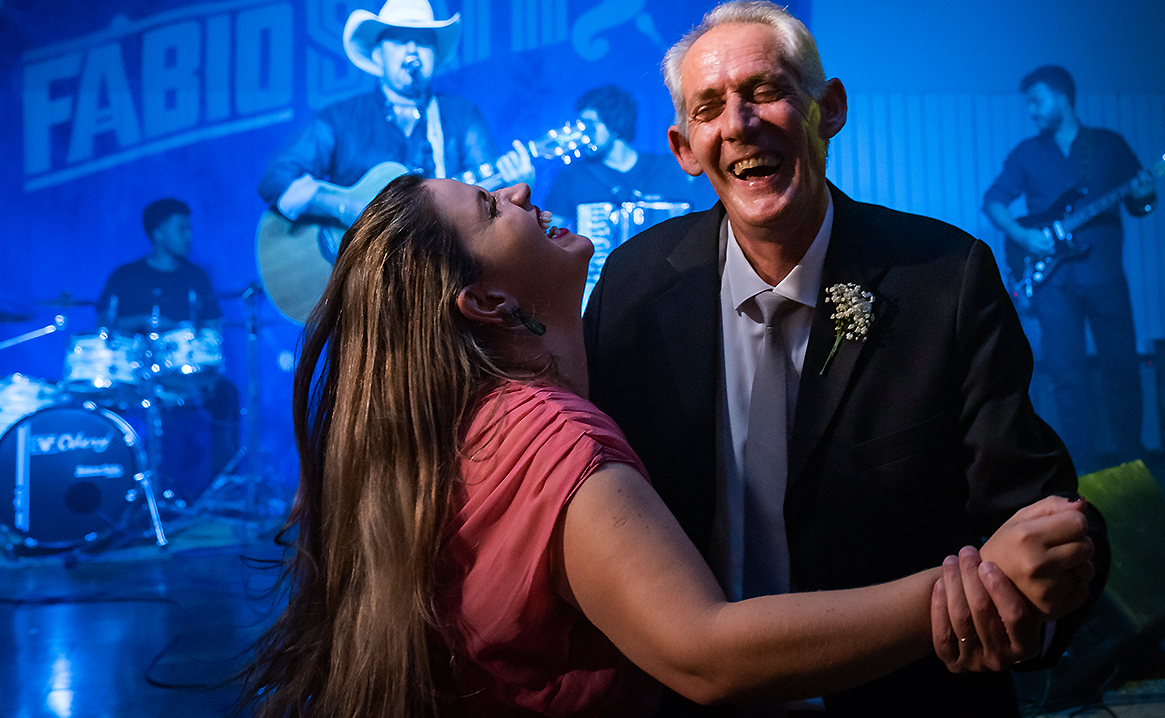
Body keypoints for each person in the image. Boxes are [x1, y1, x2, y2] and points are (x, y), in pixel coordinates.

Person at [240, 173, 1097, 718]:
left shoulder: (475, 420)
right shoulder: (551, 437)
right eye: (493, 207)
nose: (521, 183)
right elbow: (704, 651)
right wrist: (965, 590)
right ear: (488, 305)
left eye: (766, 92)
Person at [583, 1, 1109, 716]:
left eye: (765, 91)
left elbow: (1042, 518)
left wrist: (1025, 601)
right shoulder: (633, 287)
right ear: (683, 148)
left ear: (827, 110)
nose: (739, 122)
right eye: (710, 107)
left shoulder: (945, 278)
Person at [984, 65, 1155, 473]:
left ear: (1062, 97)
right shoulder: (1027, 153)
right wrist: (1025, 239)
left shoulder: (1110, 146)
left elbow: (1140, 204)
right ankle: (1083, 476)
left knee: (1122, 372)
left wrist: (1146, 195)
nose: (1032, 110)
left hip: (1105, 278)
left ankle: (1135, 467)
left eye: (1037, 100)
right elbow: (993, 201)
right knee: (1067, 378)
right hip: (1052, 285)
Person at [258, 0, 535, 229]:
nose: (412, 50)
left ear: (434, 57)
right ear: (378, 55)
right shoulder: (340, 119)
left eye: (423, 41)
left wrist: (515, 190)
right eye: (401, 40)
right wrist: (344, 207)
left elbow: (490, 207)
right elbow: (276, 179)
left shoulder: (461, 117)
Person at [96, 198, 239, 503]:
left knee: (227, 395)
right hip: (136, 375)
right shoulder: (126, 276)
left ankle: (220, 493)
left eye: (189, 229)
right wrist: (143, 321)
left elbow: (212, 323)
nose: (189, 236)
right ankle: (122, 493)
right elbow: (104, 326)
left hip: (182, 370)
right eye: (181, 228)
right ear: (158, 233)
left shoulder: (195, 276)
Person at [543, 84, 716, 304]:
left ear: (614, 122)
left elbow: (699, 225)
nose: (582, 135)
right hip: (600, 293)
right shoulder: (572, 176)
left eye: (589, 126)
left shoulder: (667, 170)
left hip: (668, 292)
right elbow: (545, 235)